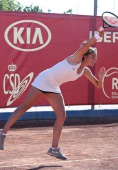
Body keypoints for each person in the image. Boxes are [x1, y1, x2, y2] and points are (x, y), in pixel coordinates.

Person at [0, 27, 106, 160]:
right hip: (44, 79)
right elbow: (87, 45)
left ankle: (54, 149)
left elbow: (98, 86)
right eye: (93, 57)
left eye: (95, 58)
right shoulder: (75, 58)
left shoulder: (85, 71)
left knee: (61, 116)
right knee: (25, 107)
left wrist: (101, 78)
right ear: (85, 56)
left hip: (54, 86)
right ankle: (2, 133)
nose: (94, 60)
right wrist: (98, 36)